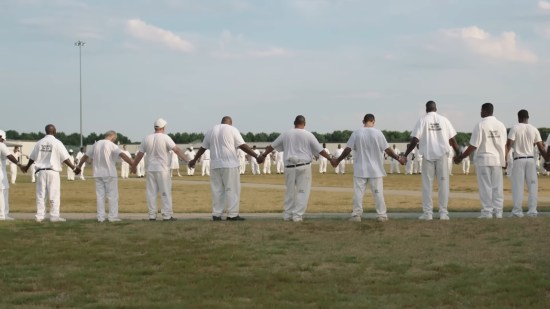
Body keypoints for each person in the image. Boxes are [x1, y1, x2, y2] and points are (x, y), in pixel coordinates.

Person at [258, 115, 332, 222]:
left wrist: (263, 155)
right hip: (303, 166)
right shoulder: (308, 135)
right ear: (304, 124)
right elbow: (320, 150)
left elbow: (272, 146)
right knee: (302, 191)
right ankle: (297, 215)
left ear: (294, 123)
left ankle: (288, 215)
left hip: (289, 166)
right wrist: (331, 159)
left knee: (289, 191)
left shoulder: (286, 134)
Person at [332, 114, 405, 222]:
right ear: (373, 121)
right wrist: (398, 158)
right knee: (378, 193)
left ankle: (356, 215)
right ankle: (381, 215)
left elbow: (348, 149)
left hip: (360, 169)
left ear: (363, 121)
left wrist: (338, 160)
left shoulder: (356, 133)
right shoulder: (378, 133)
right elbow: (387, 150)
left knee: (358, 193)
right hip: (375, 170)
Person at [188, 116, 259, 221]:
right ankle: (232, 214)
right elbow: (242, 145)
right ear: (230, 123)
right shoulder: (232, 129)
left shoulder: (211, 131)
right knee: (232, 189)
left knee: (217, 190)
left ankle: (217, 214)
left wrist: (194, 160)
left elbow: (203, 148)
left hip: (215, 165)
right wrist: (256, 156)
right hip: (229, 164)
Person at [403, 101, 460, 221]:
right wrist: (458, 155)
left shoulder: (422, 120)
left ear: (426, 109)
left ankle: (428, 213)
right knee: (443, 185)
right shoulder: (444, 120)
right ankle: (443, 213)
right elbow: (453, 140)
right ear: (436, 108)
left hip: (428, 156)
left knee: (427, 186)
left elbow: (414, 140)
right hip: (442, 157)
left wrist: (405, 154)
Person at [455, 103, 507, 219]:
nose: (480, 113)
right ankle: (498, 212)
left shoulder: (480, 125)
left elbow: (473, 146)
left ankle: (487, 212)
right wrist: (505, 160)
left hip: (484, 160)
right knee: (497, 187)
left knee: (485, 187)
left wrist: (461, 157)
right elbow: (504, 146)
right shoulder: (501, 125)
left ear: (485, 111)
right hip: (497, 160)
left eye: (481, 110)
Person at [131, 118, 188, 221]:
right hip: (162, 169)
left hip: (150, 169)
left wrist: (134, 166)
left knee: (151, 192)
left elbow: (140, 154)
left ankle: (152, 215)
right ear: (163, 127)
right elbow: (176, 150)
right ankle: (166, 215)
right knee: (165, 192)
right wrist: (187, 160)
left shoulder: (147, 138)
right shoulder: (166, 138)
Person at [22, 124, 78, 222]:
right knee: (54, 194)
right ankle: (54, 216)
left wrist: (26, 167)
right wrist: (74, 167)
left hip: (41, 172)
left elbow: (32, 157)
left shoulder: (39, 143)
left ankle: (39, 216)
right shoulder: (57, 143)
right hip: (53, 172)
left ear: (46, 131)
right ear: (54, 131)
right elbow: (65, 158)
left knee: (41, 194)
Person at [76, 130, 134, 222]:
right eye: (115, 138)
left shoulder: (96, 144)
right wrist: (132, 164)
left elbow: (85, 156)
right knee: (112, 196)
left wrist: (79, 166)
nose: (115, 140)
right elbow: (122, 154)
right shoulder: (111, 145)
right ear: (112, 136)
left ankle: (101, 217)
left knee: (100, 196)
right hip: (109, 173)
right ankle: (112, 217)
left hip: (98, 173)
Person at [505, 110, 547, 217]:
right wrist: (548, 160)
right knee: (533, 186)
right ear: (528, 117)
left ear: (518, 117)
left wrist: (504, 159)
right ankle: (532, 211)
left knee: (518, 187)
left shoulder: (515, 128)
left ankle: (517, 211)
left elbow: (509, 144)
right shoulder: (534, 129)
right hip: (531, 160)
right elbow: (541, 148)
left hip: (518, 159)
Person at [0, 130, 24, 220]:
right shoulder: (1, 145)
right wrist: (19, 164)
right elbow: (9, 156)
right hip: (0, 173)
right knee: (2, 193)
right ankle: (3, 215)